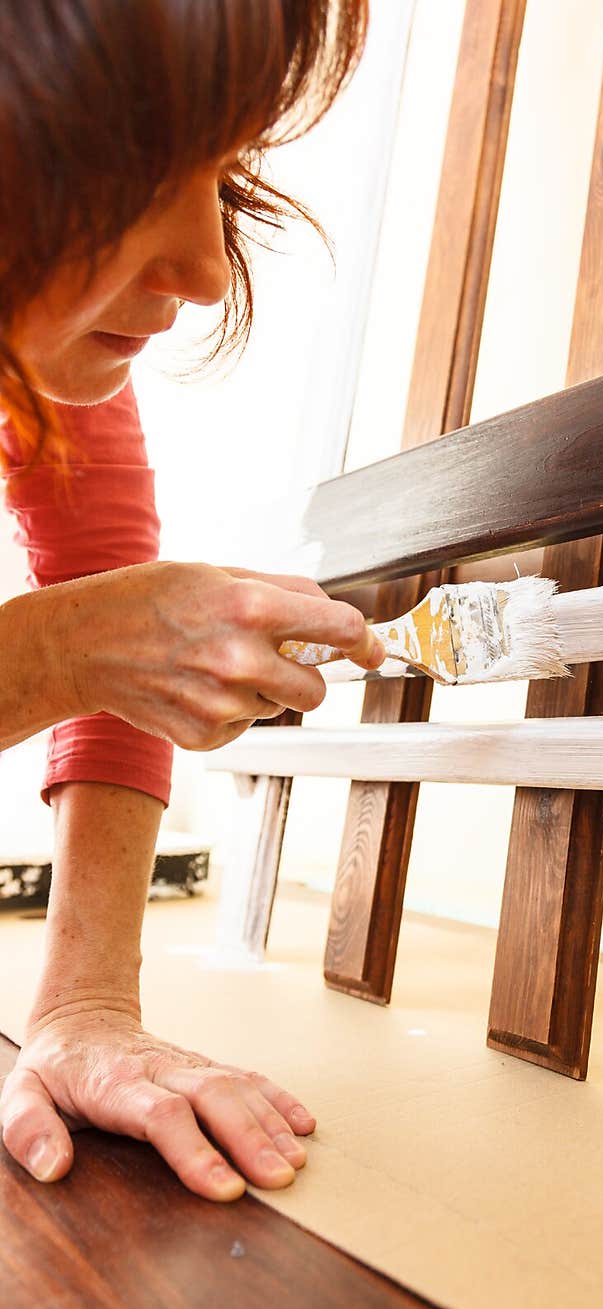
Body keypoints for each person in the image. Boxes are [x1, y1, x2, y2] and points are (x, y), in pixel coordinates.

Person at [0, 0, 378, 1201]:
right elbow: (90, 625)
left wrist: (88, 1004)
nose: (209, 272)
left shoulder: (50, 369)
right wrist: (68, 649)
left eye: (222, 168)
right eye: (136, 168)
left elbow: (101, 566)